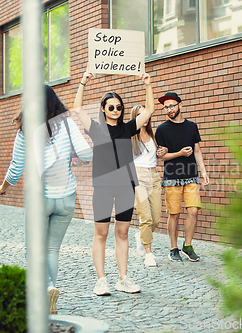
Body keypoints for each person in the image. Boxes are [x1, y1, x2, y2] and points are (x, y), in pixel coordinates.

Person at [0, 85, 92, 314]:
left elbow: (17, 166)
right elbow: (87, 155)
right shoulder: (67, 124)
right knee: (51, 249)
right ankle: (50, 295)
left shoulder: (26, 129)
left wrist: (4, 186)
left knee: (35, 250)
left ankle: (47, 288)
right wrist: (71, 156)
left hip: (41, 197)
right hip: (67, 197)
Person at [73, 71, 155, 296]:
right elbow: (78, 109)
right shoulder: (96, 129)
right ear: (103, 109)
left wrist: (148, 85)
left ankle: (123, 278)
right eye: (111, 107)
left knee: (123, 232)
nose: (116, 111)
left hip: (125, 187)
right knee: (101, 234)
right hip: (103, 188)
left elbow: (148, 111)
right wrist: (83, 82)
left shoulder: (128, 128)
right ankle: (101, 280)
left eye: (119, 107)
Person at [155, 92, 210, 262]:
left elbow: (198, 150)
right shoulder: (161, 129)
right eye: (166, 107)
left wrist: (204, 172)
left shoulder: (192, 127)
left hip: (191, 176)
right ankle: (173, 248)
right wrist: (179, 153)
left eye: (172, 105)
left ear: (180, 105)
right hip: (172, 176)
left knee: (193, 210)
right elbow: (161, 156)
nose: (169, 109)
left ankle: (188, 246)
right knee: (174, 214)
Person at [130, 105, 167, 267]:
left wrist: (162, 152)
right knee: (145, 216)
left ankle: (141, 236)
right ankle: (148, 253)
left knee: (156, 218)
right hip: (137, 175)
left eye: (144, 114)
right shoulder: (129, 136)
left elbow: (157, 155)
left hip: (154, 176)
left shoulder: (153, 135)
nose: (143, 118)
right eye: (139, 115)